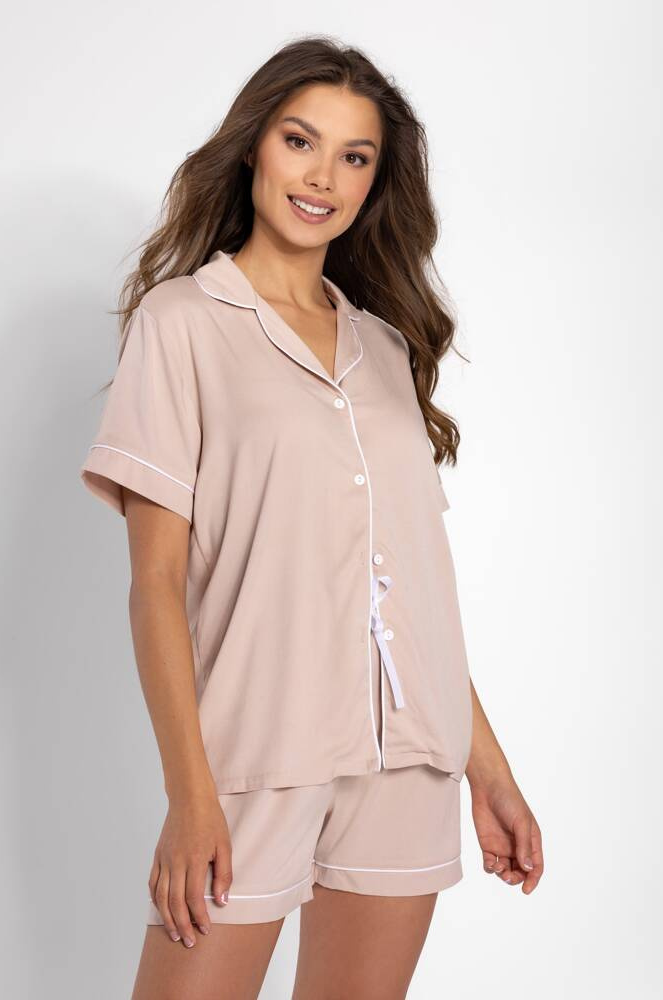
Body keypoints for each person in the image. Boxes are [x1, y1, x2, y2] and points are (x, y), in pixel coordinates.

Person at [80, 35, 544, 1000]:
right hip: (255, 757)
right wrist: (189, 795)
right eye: (300, 141)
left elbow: (409, 591)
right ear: (254, 145)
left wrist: (487, 770)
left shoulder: (384, 349)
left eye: (353, 156)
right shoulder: (182, 323)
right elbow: (155, 583)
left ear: (374, 183)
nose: (322, 176)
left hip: (406, 762)